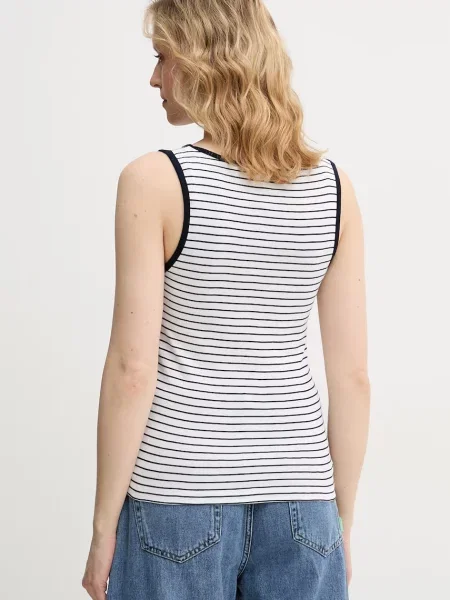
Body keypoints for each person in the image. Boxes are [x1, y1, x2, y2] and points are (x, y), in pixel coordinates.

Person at [82, 1, 370, 599]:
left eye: (162, 58)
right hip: (304, 503)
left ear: (200, 60)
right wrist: (340, 522)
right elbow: (353, 379)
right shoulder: (334, 189)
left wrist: (103, 527)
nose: (154, 78)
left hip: (177, 498)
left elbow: (133, 369)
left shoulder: (154, 181)